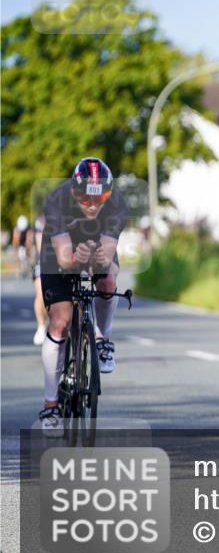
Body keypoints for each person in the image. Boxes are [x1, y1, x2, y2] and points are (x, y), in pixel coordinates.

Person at [37, 158, 128, 436]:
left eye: (99, 198)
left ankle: (103, 340)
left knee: (109, 276)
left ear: (108, 194)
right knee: (61, 322)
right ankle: (51, 404)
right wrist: (78, 258)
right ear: (74, 192)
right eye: (84, 198)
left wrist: (100, 259)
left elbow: (108, 254)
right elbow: (65, 260)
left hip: (95, 244)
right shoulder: (57, 201)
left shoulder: (117, 205)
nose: (91, 204)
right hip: (59, 252)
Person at [32, 215, 48, 346]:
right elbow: (40, 246)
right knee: (41, 291)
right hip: (44, 261)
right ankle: (41, 326)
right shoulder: (41, 220)